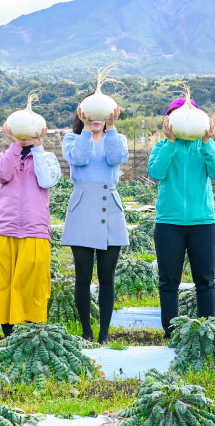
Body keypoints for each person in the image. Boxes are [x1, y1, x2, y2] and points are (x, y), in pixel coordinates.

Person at [148, 97, 215, 338]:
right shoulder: (162, 146)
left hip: (202, 222)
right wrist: (170, 142)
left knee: (205, 280)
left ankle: (206, 330)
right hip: (168, 223)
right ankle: (171, 331)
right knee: (169, 280)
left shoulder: (204, 147)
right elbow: (156, 172)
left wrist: (207, 141)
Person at [61, 104, 129, 343]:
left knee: (107, 276)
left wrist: (111, 127)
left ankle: (104, 334)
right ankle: (86, 331)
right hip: (82, 208)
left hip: (109, 207)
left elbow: (115, 158)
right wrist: (87, 129)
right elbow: (79, 159)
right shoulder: (72, 139)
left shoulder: (117, 138)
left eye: (102, 116)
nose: (97, 120)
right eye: (92, 116)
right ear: (83, 115)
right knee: (83, 276)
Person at [0, 123, 61, 337]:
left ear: (41, 132)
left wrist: (38, 148)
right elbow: (2, 174)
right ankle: (9, 337)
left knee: (33, 285)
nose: (27, 136)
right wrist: (14, 146)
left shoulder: (48, 158)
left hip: (35, 232)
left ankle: (30, 334)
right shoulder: (0, 157)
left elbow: (46, 180)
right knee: (4, 285)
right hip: (3, 230)